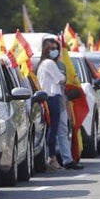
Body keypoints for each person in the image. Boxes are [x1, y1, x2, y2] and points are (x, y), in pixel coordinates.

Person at [35, 37, 80, 171]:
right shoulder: (49, 63)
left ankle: (67, 159)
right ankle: (52, 157)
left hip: (56, 99)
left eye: (57, 49)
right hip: (52, 98)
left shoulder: (45, 63)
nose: (55, 51)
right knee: (53, 130)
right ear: (46, 50)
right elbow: (60, 79)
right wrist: (64, 77)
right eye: (52, 49)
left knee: (61, 130)